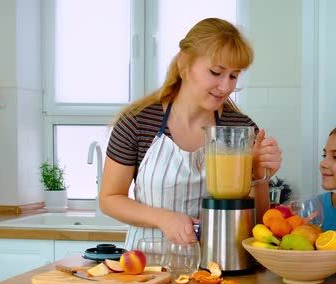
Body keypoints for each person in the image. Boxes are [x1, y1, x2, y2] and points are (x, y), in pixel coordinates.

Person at [99, 18, 282, 249]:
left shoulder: (239, 129)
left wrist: (260, 175)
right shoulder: (138, 122)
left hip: (221, 268)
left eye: (233, 76)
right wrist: (163, 218)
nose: (226, 87)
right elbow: (110, 199)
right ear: (184, 64)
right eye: (216, 72)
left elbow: (258, 222)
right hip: (148, 268)